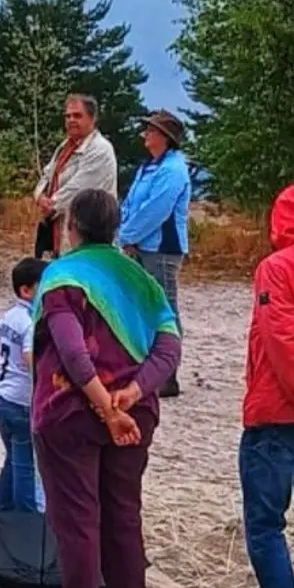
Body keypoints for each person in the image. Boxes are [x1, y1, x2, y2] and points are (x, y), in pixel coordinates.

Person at [29, 189, 182, 588]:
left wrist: (103, 404)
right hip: (134, 416)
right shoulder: (141, 281)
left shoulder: (62, 277)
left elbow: (73, 352)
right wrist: (132, 396)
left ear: (71, 226)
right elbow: (168, 349)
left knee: (78, 521)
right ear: (116, 227)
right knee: (123, 517)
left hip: (70, 413)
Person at [237, 182, 294, 588]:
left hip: (277, 414)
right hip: (277, 412)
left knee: (264, 527)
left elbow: (281, 340)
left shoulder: (277, 269)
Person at [118, 110, 192, 399]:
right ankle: (147, 367)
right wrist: (124, 229)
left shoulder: (173, 170)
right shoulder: (149, 166)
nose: (144, 134)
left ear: (164, 137)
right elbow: (132, 202)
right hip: (142, 247)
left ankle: (167, 374)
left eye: (150, 130)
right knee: (141, 308)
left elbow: (156, 210)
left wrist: (127, 235)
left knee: (164, 310)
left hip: (162, 250)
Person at [0, 258, 46, 513]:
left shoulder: (11, 315)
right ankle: (26, 520)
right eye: (43, 286)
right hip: (21, 404)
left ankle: (2, 511)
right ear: (26, 290)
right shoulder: (31, 322)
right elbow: (32, 357)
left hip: (0, 398)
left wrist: (5, 367)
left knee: (12, 459)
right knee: (25, 466)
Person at [33, 94, 118, 260]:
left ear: (92, 119)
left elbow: (77, 189)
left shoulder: (100, 149)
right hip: (60, 227)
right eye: (68, 116)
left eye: (77, 115)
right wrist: (39, 195)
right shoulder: (66, 146)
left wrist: (50, 204)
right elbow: (47, 174)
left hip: (89, 234)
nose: (71, 120)